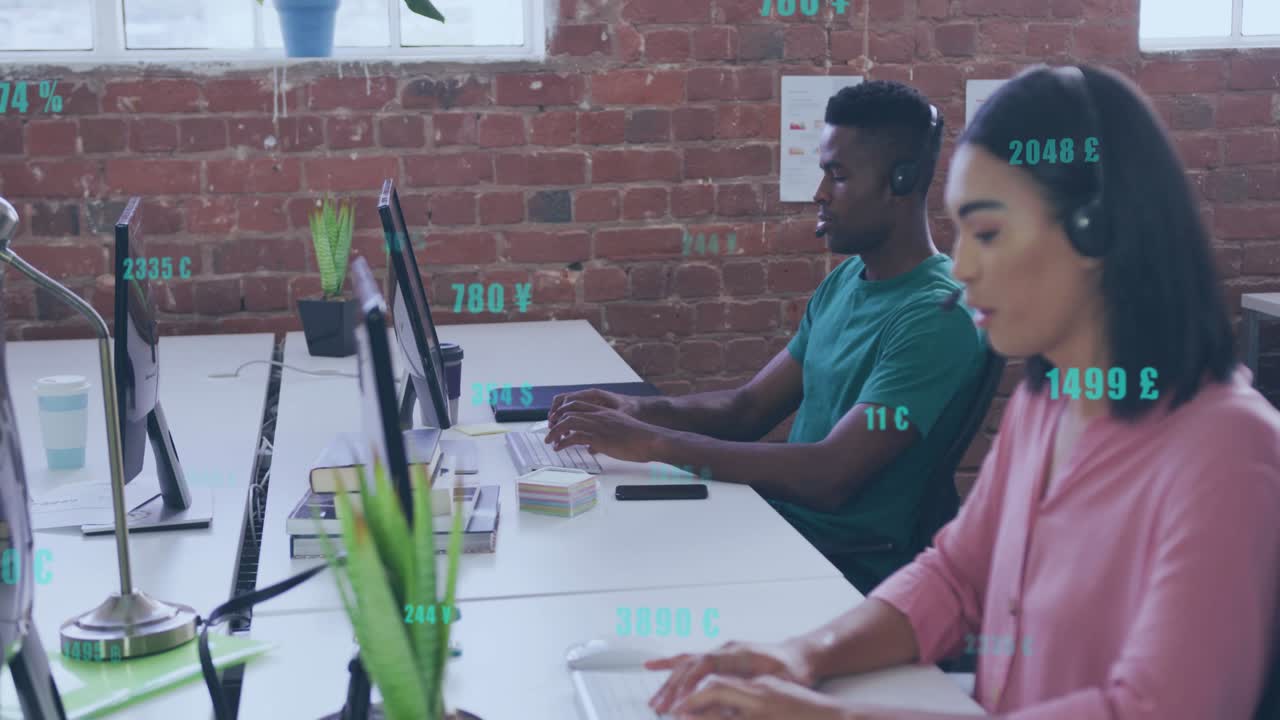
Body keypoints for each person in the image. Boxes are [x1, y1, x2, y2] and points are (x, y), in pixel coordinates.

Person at [641, 63, 1280, 720]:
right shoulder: (1049, 403)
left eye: (989, 233)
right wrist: (805, 655)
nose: (964, 267)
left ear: (1096, 230)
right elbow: (956, 575)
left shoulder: (1228, 449)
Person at [545, 81, 987, 594]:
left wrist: (654, 444)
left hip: (840, 569)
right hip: (780, 529)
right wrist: (634, 411)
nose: (820, 194)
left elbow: (830, 475)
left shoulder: (936, 315)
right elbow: (747, 409)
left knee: (623, 565)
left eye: (838, 176)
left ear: (902, 181)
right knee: (596, 541)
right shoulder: (848, 281)